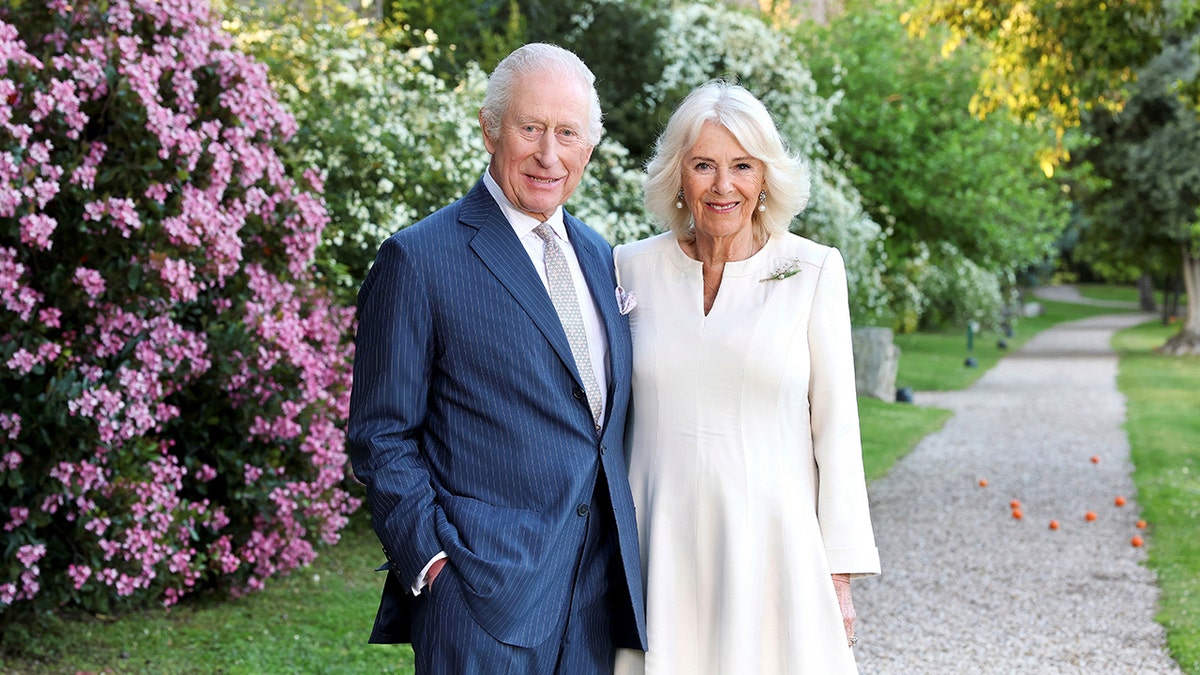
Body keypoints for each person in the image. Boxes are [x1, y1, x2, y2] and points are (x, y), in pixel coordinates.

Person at [347, 43, 647, 674]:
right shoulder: (419, 259)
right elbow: (381, 434)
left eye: (567, 132)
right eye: (530, 127)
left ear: (589, 146)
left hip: (593, 602)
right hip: (478, 598)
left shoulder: (603, 259)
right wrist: (430, 559)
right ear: (490, 129)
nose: (548, 152)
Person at [611, 81, 881, 674]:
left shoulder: (812, 271)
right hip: (658, 546)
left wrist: (839, 577)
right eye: (703, 165)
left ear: (765, 177)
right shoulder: (628, 267)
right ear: (678, 175)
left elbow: (836, 430)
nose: (723, 185)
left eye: (741, 166)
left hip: (773, 552)